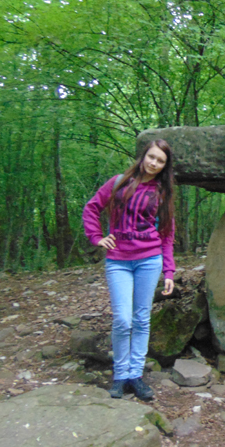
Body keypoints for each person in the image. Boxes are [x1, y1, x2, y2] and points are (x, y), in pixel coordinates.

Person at [82, 139, 177, 400]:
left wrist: (169, 271)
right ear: (143, 156)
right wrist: (96, 237)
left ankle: (135, 375)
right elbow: (92, 207)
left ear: (165, 166)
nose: (154, 163)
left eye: (160, 161)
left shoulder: (163, 192)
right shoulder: (118, 182)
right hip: (118, 260)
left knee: (141, 319)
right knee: (123, 319)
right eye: (151, 157)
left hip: (149, 260)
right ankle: (120, 375)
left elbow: (167, 234)